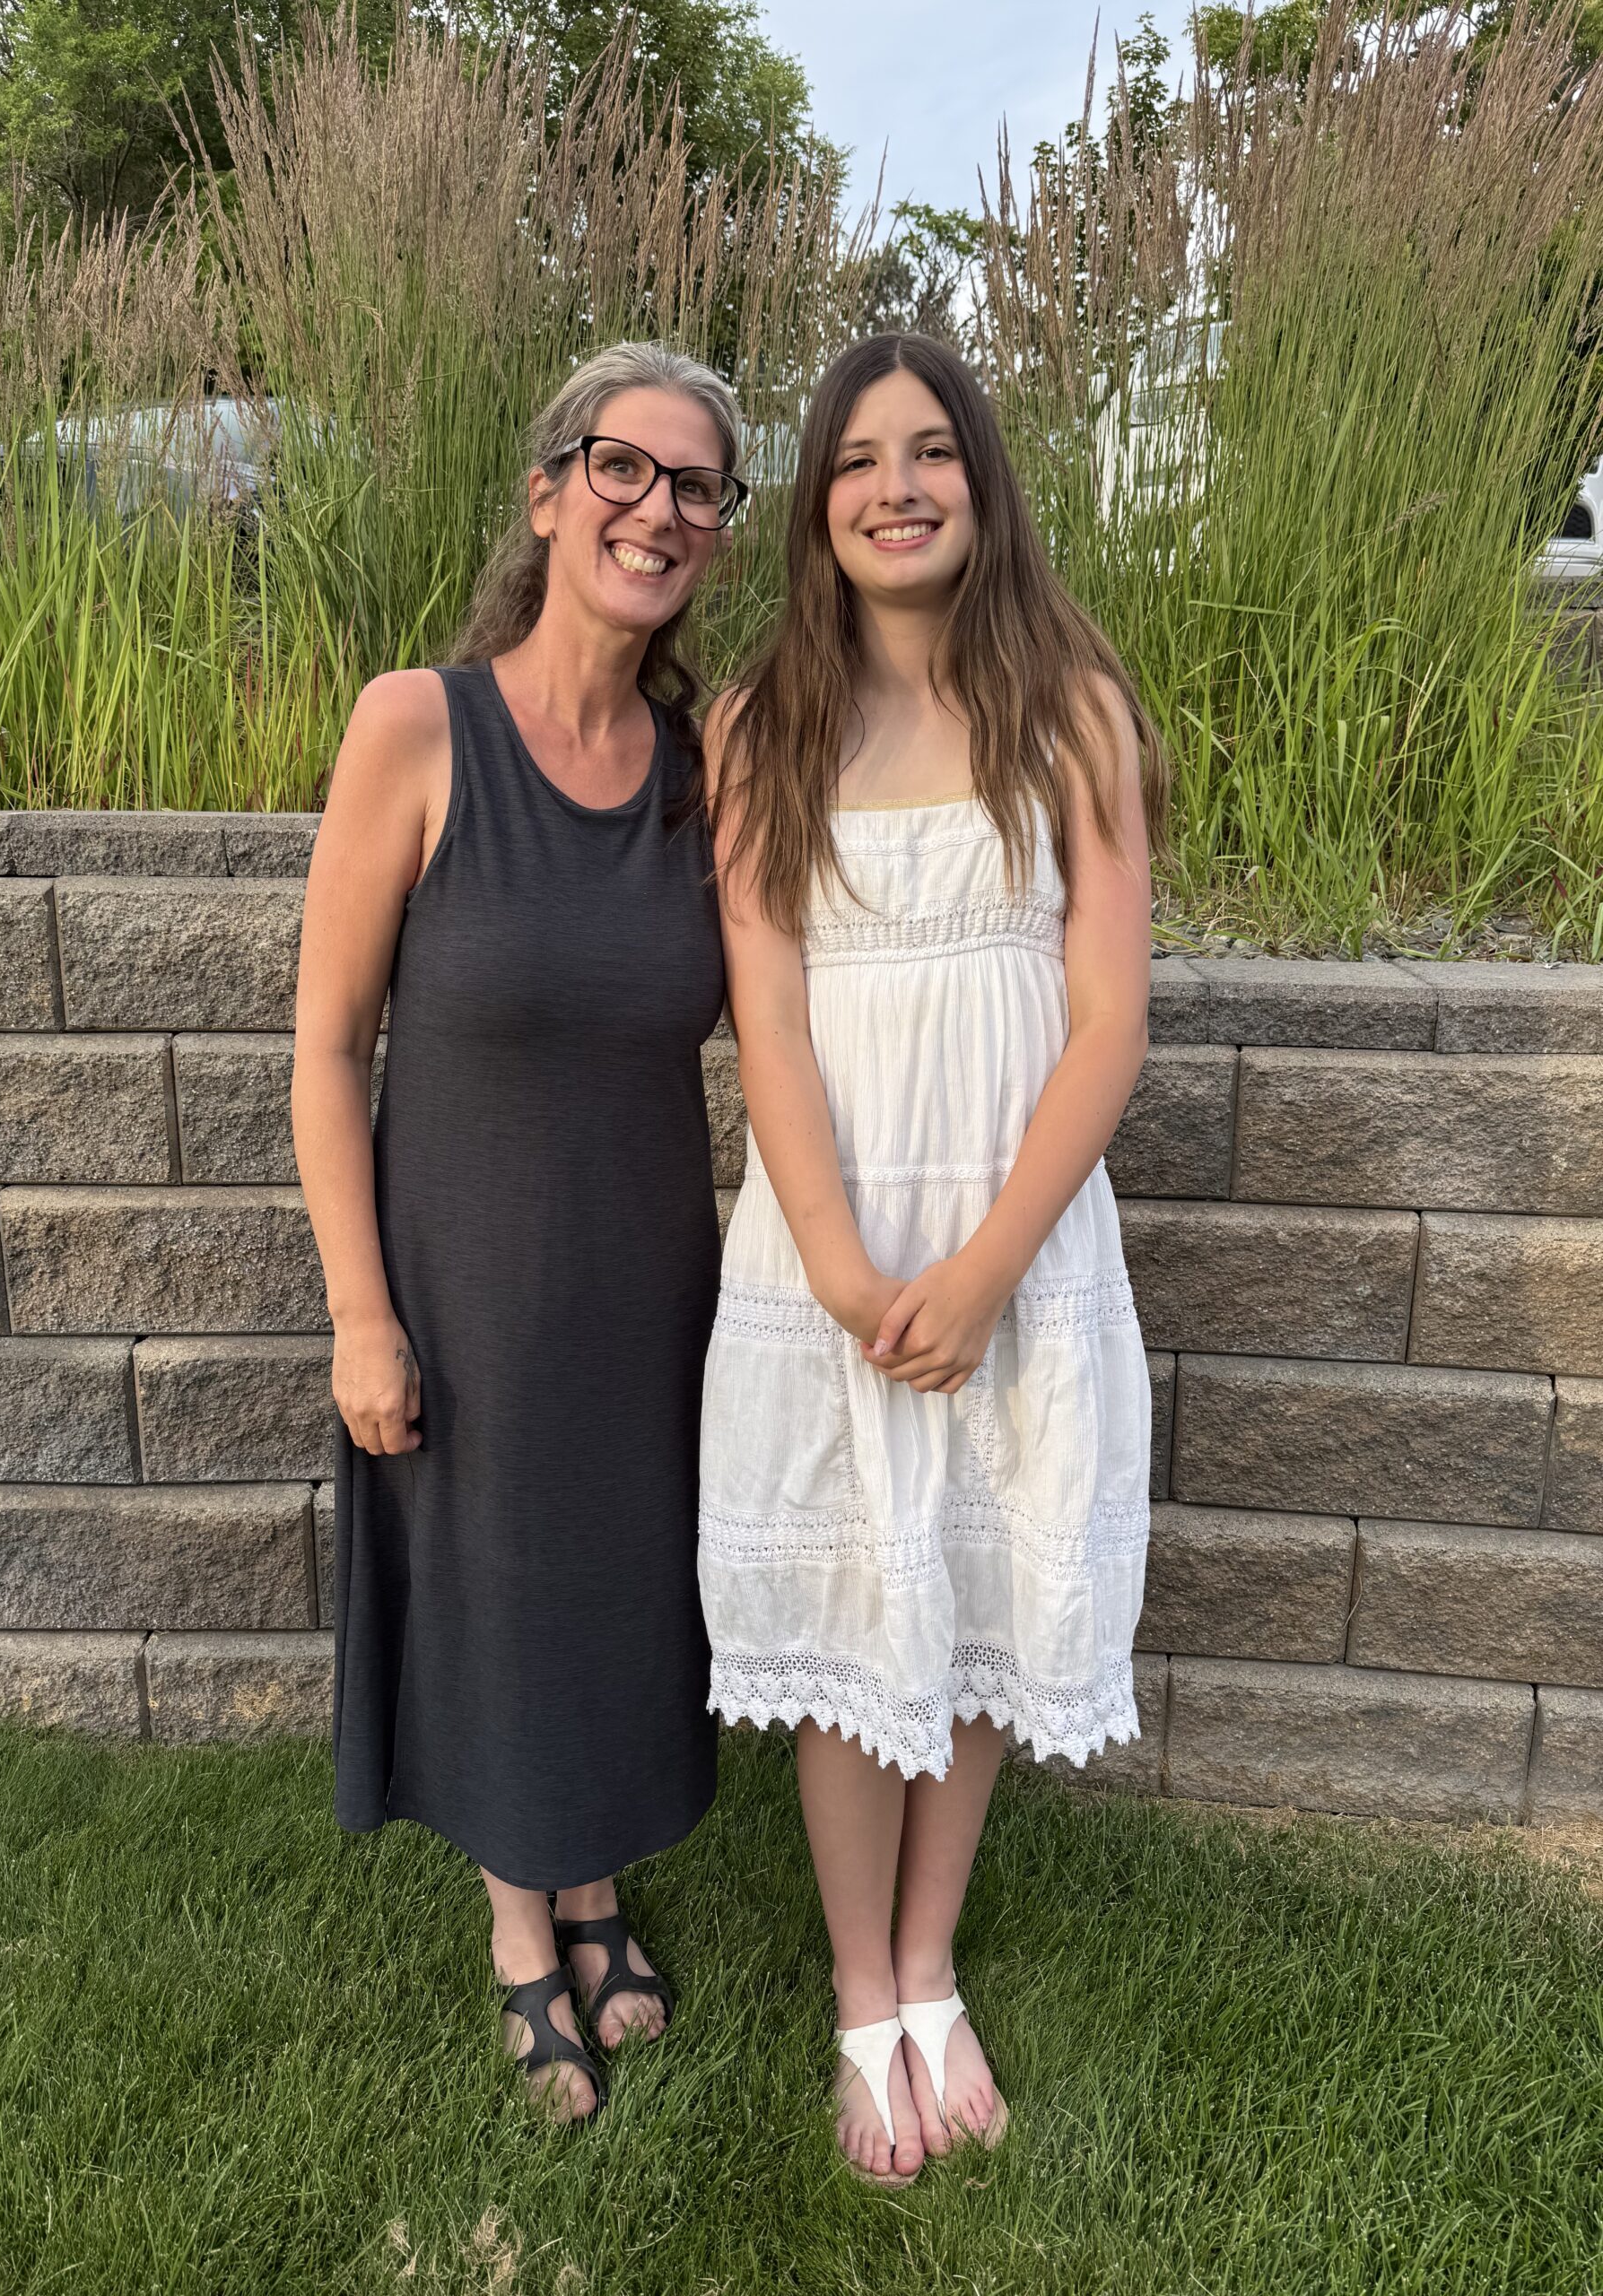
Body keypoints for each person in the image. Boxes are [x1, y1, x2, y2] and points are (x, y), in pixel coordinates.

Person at [698, 332, 1166, 2184]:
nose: (896, 486)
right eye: (857, 460)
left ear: (981, 477)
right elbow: (768, 1015)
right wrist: (837, 1259)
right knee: (849, 1617)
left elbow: (1108, 1021)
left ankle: (929, 1962)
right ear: (819, 504)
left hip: (1011, 1246)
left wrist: (985, 1269)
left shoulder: (1072, 711)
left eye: (930, 452)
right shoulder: (763, 724)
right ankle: (855, 1996)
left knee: (970, 1598)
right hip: (831, 1251)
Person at [292, 342, 748, 2123]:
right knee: (494, 1586)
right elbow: (328, 1042)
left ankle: (597, 1885)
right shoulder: (420, 727)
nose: (657, 508)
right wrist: (361, 1310)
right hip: (465, 1284)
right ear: (550, 493)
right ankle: (518, 1927)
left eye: (696, 486)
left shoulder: (702, 770)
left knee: (622, 1584)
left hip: (647, 1285)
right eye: (621, 466)